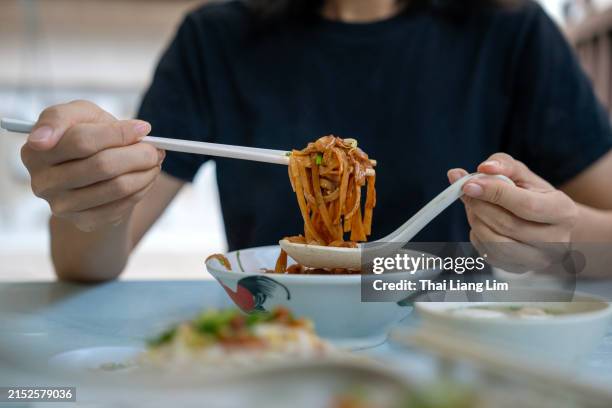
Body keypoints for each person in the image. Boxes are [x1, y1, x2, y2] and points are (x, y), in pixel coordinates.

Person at [19, 0, 612, 282]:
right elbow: (84, 265)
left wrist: (562, 240)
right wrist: (91, 196)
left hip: (459, 342)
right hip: (277, 343)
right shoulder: (216, 39)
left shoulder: (512, 32)